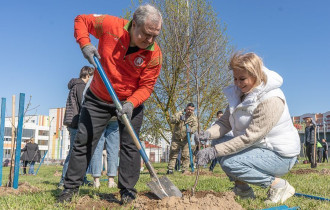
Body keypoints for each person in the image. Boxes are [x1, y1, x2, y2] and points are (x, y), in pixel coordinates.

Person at [58, 4, 163, 204]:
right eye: (146, 34)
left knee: (130, 146)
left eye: (155, 36)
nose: (150, 40)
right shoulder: (110, 26)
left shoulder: (154, 55)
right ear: (134, 24)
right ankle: (69, 189)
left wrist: (132, 103)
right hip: (98, 96)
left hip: (130, 101)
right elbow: (81, 19)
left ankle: (127, 192)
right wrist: (85, 44)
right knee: (84, 142)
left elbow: (147, 86)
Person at [195, 52, 300, 204]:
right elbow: (225, 123)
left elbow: (250, 137)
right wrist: (207, 134)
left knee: (230, 162)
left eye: (242, 79)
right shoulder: (241, 93)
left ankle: (279, 186)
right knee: (218, 141)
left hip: (280, 155)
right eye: (235, 78)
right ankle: (243, 190)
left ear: (256, 75)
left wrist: (214, 152)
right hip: (259, 147)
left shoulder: (271, 99)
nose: (237, 83)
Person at [58, 66, 94, 188]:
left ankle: (81, 178)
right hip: (77, 122)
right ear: (88, 75)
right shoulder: (81, 86)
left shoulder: (75, 85)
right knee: (74, 152)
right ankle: (63, 180)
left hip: (72, 122)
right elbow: (83, 104)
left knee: (80, 151)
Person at [87, 117, 119, 189]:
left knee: (97, 147)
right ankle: (111, 181)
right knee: (113, 148)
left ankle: (96, 181)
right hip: (114, 116)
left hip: (99, 115)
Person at [167, 103, 197, 175]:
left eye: (192, 110)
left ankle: (185, 170)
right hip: (176, 138)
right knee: (173, 153)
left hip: (186, 139)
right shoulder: (179, 113)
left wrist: (191, 130)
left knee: (186, 155)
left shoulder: (194, 118)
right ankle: (170, 169)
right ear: (186, 108)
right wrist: (179, 118)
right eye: (188, 109)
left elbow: (195, 126)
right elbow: (171, 120)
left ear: (193, 110)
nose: (190, 111)